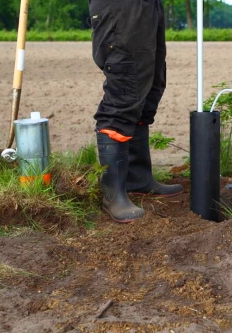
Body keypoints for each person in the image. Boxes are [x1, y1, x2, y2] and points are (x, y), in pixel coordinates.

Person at [88, 0, 183, 223]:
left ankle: (137, 177)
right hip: (121, 7)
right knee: (126, 87)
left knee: (150, 87)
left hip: (148, 6)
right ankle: (113, 195)